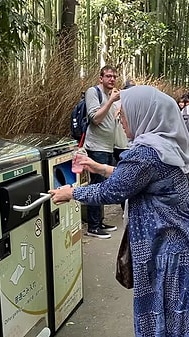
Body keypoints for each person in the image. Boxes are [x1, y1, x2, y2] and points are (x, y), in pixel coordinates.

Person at [49, 85, 189, 337]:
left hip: (168, 248)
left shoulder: (145, 153)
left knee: (169, 313)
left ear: (143, 113)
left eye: (123, 114)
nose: (120, 120)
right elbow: (140, 180)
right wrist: (101, 168)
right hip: (184, 240)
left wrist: (71, 193)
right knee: (185, 312)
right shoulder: (164, 143)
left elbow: (112, 192)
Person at [83, 65, 120, 239]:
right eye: (108, 76)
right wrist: (112, 101)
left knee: (103, 186)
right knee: (96, 186)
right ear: (101, 78)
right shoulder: (93, 92)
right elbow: (95, 119)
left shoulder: (109, 95)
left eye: (114, 76)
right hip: (95, 147)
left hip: (107, 147)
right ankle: (93, 226)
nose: (111, 79)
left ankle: (99, 220)